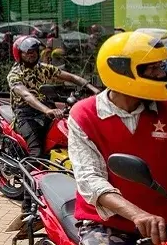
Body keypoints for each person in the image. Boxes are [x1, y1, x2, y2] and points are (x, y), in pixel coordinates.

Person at [68, 30, 167, 245]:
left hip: (162, 225)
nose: (161, 74)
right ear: (121, 70)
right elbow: (90, 180)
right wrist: (137, 214)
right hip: (106, 225)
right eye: (152, 68)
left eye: (160, 66)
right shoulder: (84, 114)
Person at [7, 35, 99, 219]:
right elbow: (26, 96)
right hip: (25, 114)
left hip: (45, 109)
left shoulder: (43, 69)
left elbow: (70, 77)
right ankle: (27, 204)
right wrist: (46, 110)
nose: (32, 55)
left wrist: (95, 90)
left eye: (35, 52)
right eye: (28, 53)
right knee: (37, 155)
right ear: (20, 55)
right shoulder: (15, 74)